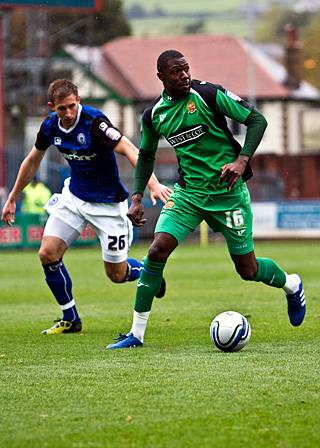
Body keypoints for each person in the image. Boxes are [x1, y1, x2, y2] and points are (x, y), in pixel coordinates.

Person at [107, 49, 306, 349]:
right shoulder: (154, 115)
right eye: (176, 71)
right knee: (157, 250)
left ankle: (291, 285)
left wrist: (241, 161)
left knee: (247, 270)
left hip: (228, 194)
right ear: (161, 77)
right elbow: (146, 155)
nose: (184, 75)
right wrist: (136, 196)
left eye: (186, 69)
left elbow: (257, 119)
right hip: (188, 195)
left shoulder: (208, 94)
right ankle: (136, 334)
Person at [1, 79, 172, 335]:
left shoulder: (95, 123)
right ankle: (70, 318)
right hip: (74, 197)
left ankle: (149, 271)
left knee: (116, 274)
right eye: (62, 109)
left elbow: (128, 148)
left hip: (107, 205)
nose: (68, 114)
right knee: (47, 253)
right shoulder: (49, 126)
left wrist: (153, 184)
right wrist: (13, 196)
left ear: (78, 100)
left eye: (72, 106)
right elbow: (33, 159)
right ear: (52, 107)